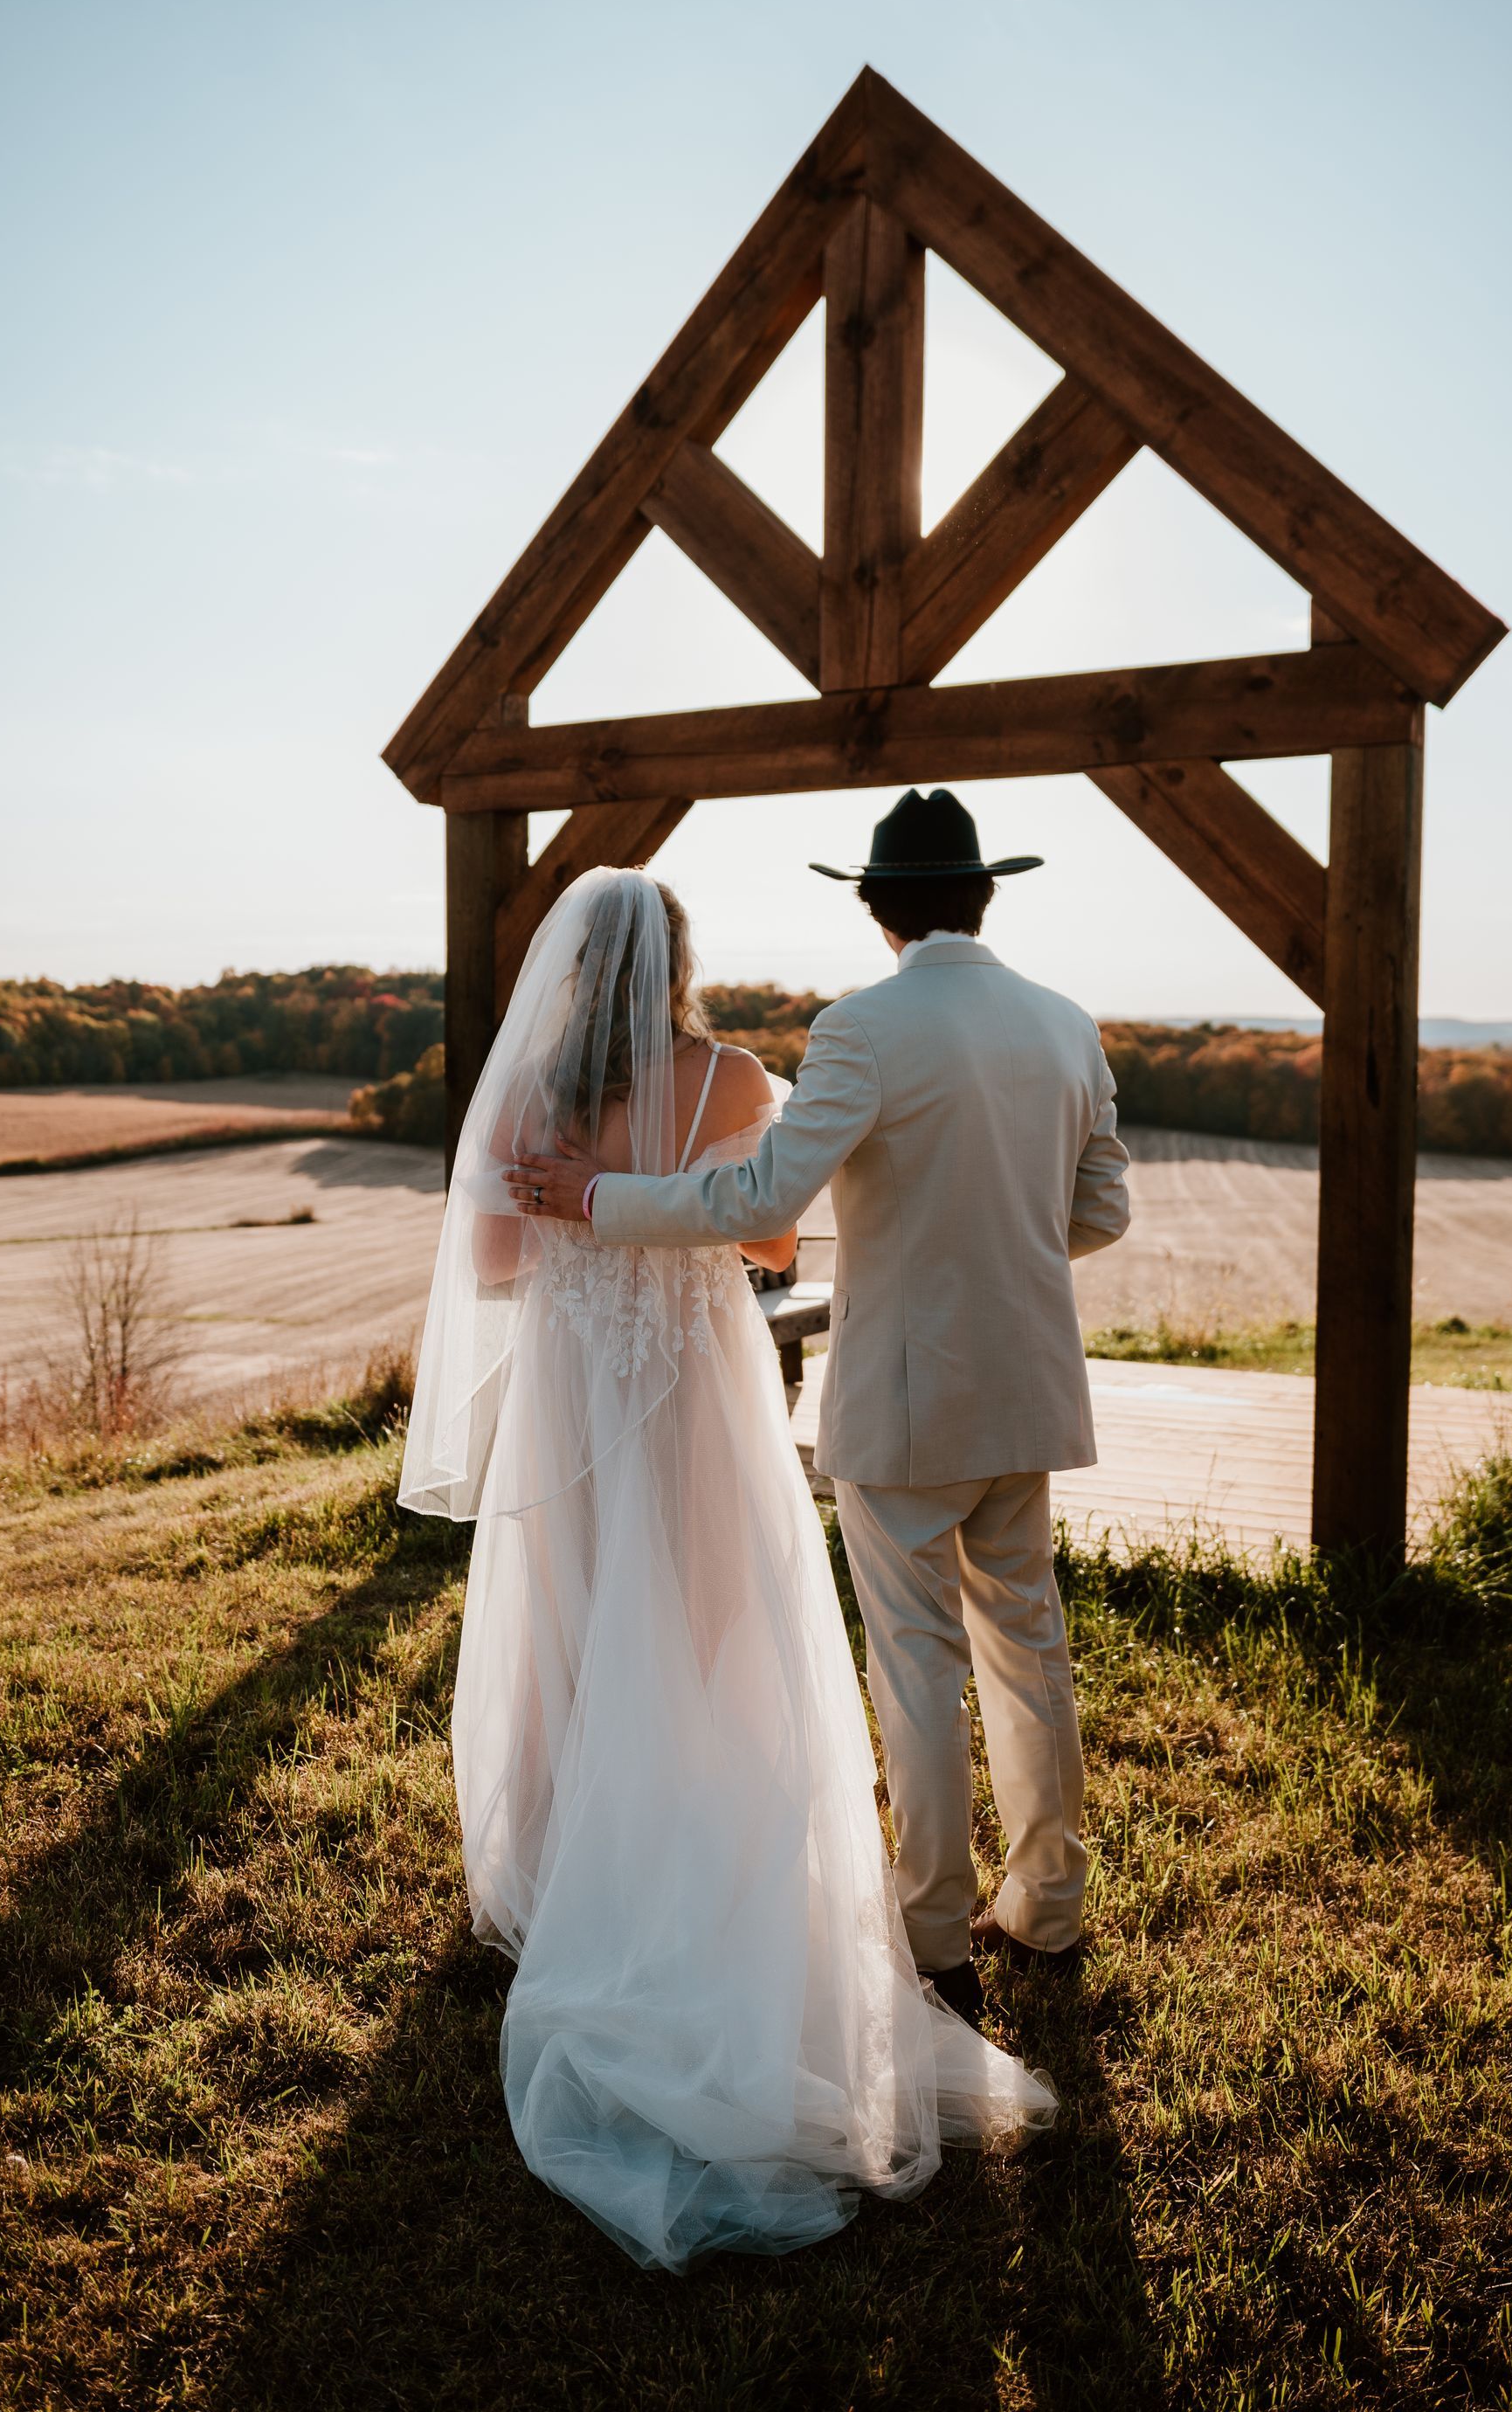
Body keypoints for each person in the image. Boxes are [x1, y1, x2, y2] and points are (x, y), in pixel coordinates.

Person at [400, 859, 1055, 2275]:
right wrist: (673, 1204)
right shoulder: (739, 1074)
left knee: (573, 1614)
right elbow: (767, 1234)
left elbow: (501, 1265)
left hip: (578, 1387)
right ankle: (706, 1817)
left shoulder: (533, 1097)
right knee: (710, 1621)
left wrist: (588, 1218)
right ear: (682, 959)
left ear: (578, 969)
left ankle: (573, 1855)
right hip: (696, 1377)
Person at [511, 786, 1131, 2022]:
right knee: (1031, 1642)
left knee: (917, 1663)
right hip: (1029, 1387)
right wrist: (999, 1238)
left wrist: (592, 1201)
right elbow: (1101, 1209)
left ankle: (936, 1935)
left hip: (907, 1403)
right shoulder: (1067, 1025)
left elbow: (758, 1201)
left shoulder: (861, 1030)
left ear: (878, 909)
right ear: (983, 894)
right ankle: (1050, 1904)